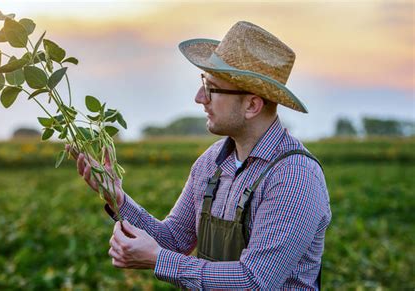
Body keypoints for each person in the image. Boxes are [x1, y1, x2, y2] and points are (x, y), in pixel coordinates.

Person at [68, 21, 331, 290]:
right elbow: (172, 240)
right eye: (202, 83)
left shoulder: (294, 175)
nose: (199, 97)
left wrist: (158, 259)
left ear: (252, 104)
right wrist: (119, 198)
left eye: (212, 88)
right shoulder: (211, 162)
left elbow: (254, 281)